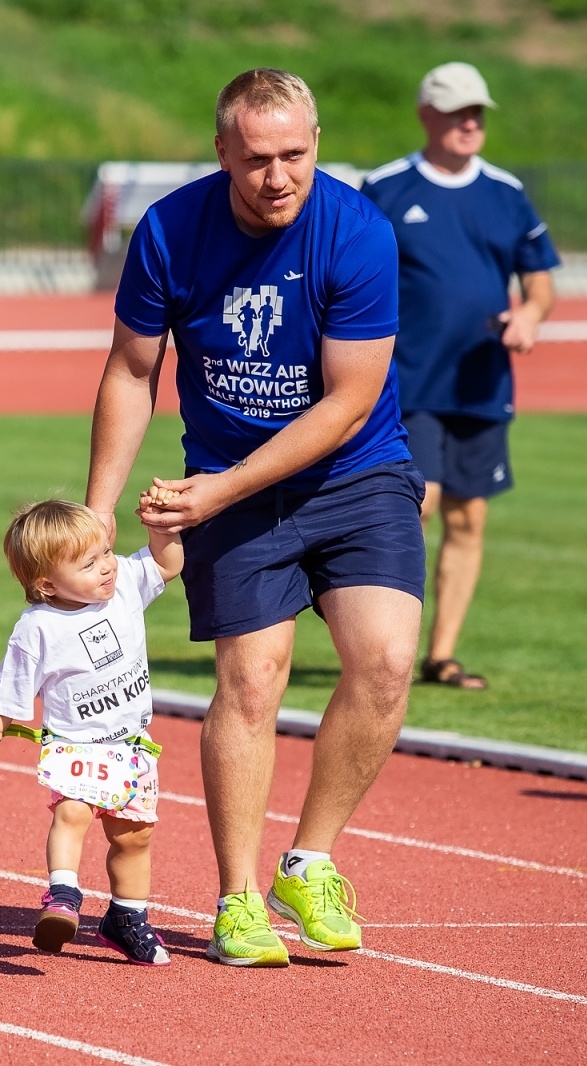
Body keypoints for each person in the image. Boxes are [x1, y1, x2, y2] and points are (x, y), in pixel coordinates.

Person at [88, 68, 424, 967]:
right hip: (229, 477)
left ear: (316, 144)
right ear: (222, 152)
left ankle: (308, 862)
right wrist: (96, 511)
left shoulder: (356, 232)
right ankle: (238, 899)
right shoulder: (169, 230)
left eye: (296, 156)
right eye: (258, 160)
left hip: (356, 471)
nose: (279, 178)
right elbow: (131, 370)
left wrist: (217, 492)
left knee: (387, 661)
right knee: (252, 680)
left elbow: (348, 403)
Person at [360, 62, 560, 690]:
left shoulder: (506, 192)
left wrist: (530, 313)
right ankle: (383, 646)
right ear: (427, 115)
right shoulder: (386, 187)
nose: (471, 122)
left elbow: (540, 279)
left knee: (469, 517)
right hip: (406, 382)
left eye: (478, 112)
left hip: (481, 384)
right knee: (418, 504)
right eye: (457, 111)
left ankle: (440, 656)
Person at [0, 496, 183, 966]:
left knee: (134, 838)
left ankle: (127, 918)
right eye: (88, 564)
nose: (106, 567)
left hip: (131, 748)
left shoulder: (126, 582)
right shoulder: (38, 627)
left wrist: (162, 530)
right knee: (72, 814)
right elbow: (16, 679)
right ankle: (63, 896)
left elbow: (168, 565)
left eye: (106, 552)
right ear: (47, 583)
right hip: (74, 746)